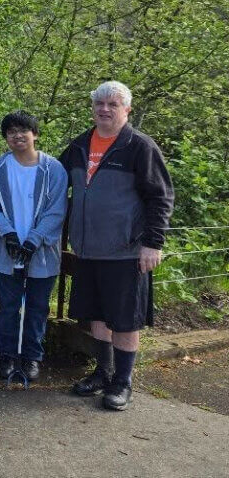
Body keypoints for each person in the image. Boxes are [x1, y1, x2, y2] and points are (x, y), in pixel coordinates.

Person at [61, 81, 174, 410]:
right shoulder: (81, 144)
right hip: (88, 248)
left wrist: (153, 243)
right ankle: (104, 373)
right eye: (100, 103)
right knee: (97, 316)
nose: (105, 109)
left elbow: (161, 197)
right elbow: (53, 177)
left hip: (126, 250)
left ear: (127, 109)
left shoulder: (139, 146)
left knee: (124, 319)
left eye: (113, 104)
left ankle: (123, 382)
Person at [0, 111, 67, 382]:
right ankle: (6, 355)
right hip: (8, 251)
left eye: (23, 130)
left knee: (38, 307)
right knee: (7, 306)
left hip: (42, 252)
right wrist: (7, 234)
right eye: (11, 131)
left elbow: (56, 211)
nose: (18, 135)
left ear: (35, 134)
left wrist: (33, 239)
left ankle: (31, 357)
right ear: (5, 137)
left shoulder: (53, 169)